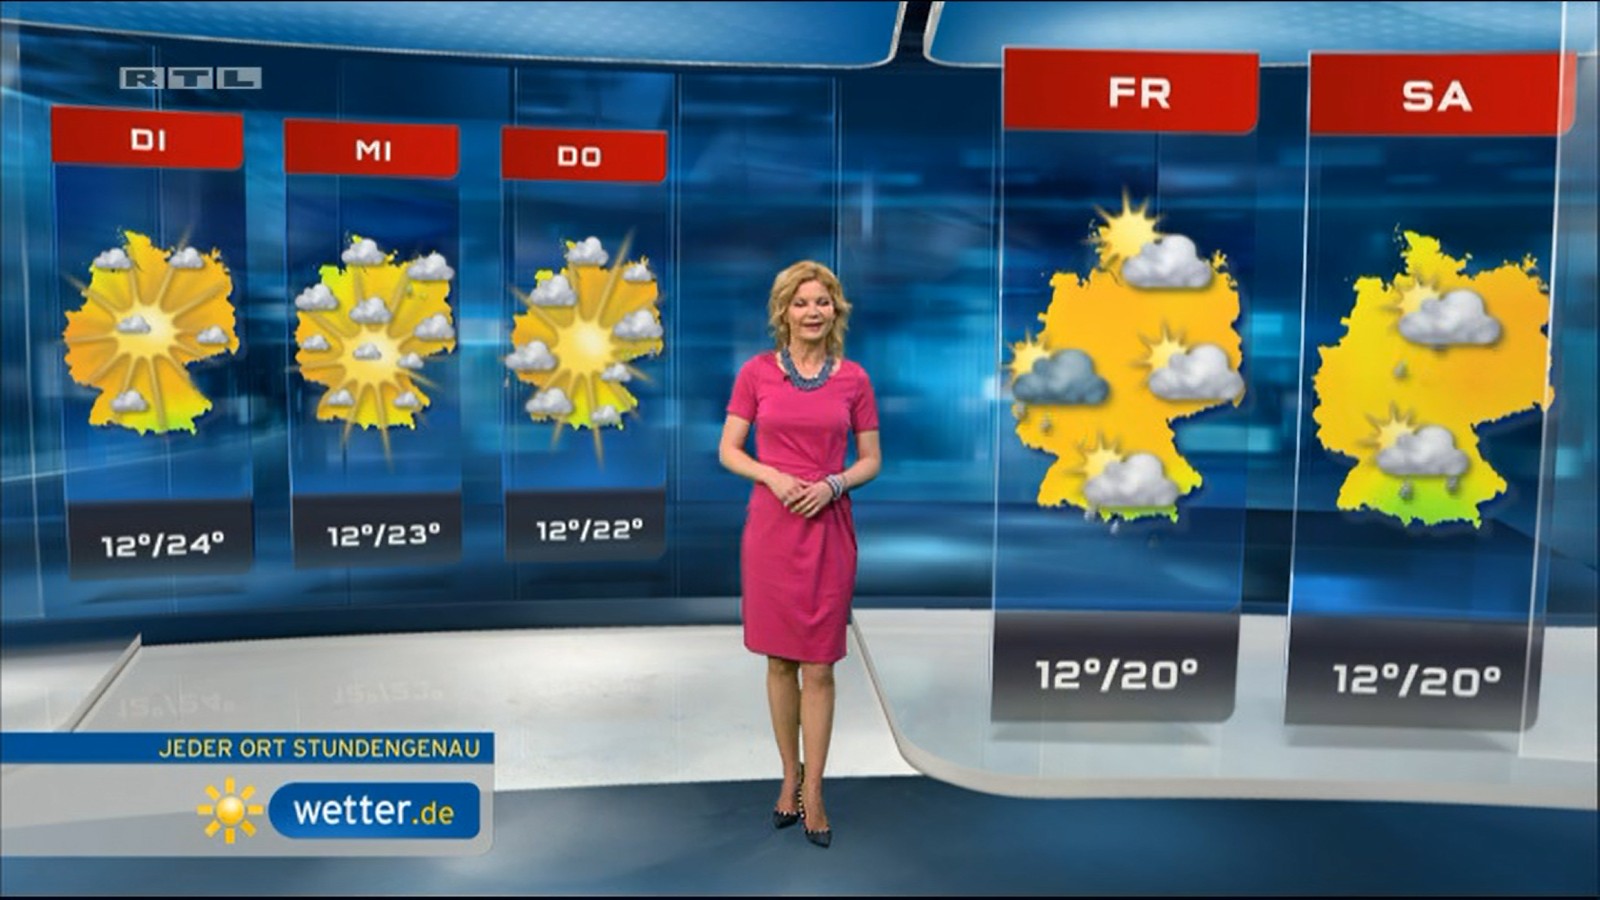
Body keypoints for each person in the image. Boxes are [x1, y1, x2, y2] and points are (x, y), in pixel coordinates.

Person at [718, 260, 881, 849]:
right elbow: (729, 450)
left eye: (823, 301)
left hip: (828, 529)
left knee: (820, 666)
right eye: (802, 302)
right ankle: (790, 774)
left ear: (836, 311)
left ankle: (815, 790)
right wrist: (772, 475)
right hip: (772, 529)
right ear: (783, 312)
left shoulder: (854, 379)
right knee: (779, 661)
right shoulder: (756, 373)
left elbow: (870, 459)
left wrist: (835, 484)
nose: (814, 312)